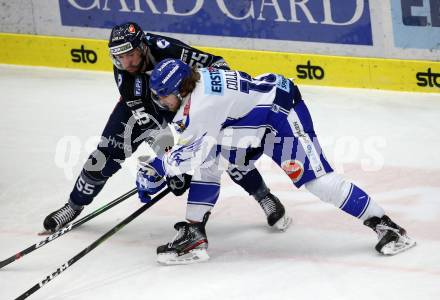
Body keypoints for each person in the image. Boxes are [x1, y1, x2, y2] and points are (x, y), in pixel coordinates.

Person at [136, 58, 416, 265]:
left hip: (278, 113)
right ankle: (194, 233)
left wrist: (157, 170)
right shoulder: (197, 85)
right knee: (211, 160)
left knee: (319, 183)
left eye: (163, 96)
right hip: (251, 119)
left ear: (180, 89)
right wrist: (165, 165)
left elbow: (189, 152)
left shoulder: (203, 104)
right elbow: (193, 144)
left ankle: (388, 226)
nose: (161, 102)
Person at [43, 22, 290, 233]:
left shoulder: (168, 49)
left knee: (225, 149)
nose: (125, 62)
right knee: (105, 154)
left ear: (142, 47)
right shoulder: (126, 79)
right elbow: (151, 123)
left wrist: (207, 106)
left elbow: (219, 64)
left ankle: (264, 196)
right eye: (119, 57)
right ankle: (74, 204)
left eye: (130, 54)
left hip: (184, 102)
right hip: (147, 109)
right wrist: (171, 164)